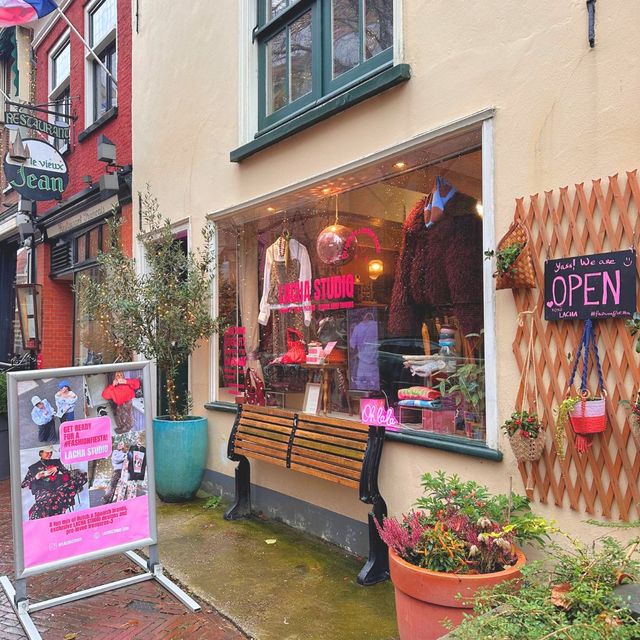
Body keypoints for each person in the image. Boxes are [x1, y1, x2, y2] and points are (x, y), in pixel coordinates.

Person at [20, 446, 87, 520]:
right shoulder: (33, 467)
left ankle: (49, 518)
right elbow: (23, 484)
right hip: (42, 490)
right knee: (49, 500)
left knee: (63, 491)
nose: (49, 454)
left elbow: (67, 473)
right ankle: (38, 517)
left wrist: (57, 468)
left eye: (51, 452)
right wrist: (36, 477)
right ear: (41, 453)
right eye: (47, 452)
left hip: (57, 487)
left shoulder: (56, 462)